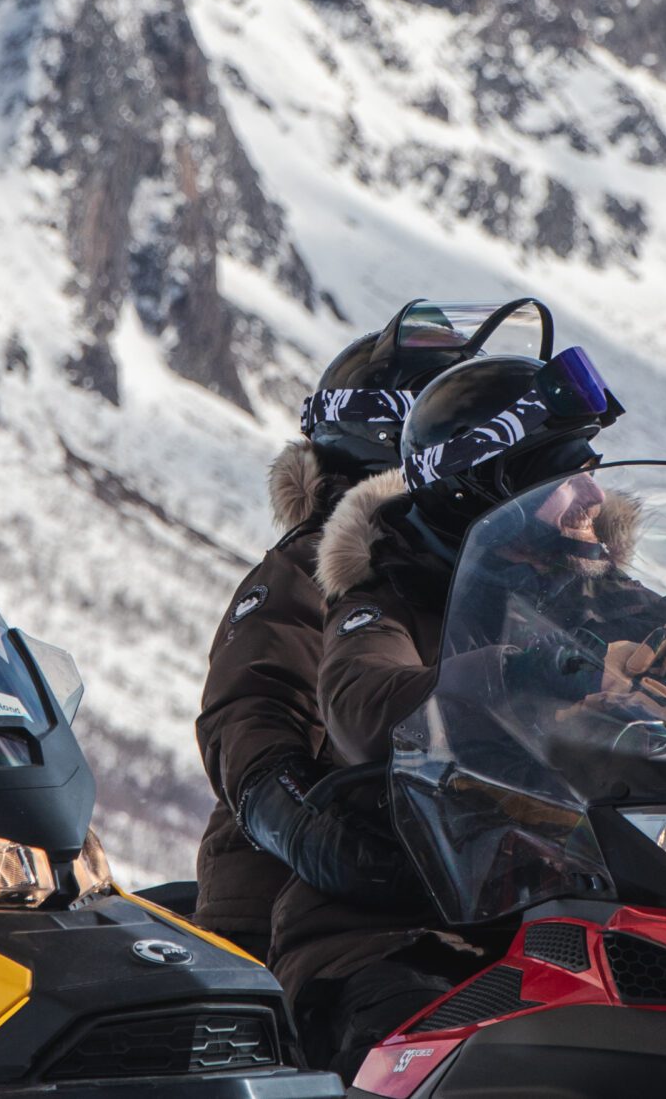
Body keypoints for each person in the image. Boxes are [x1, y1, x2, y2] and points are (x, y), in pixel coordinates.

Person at [270, 346, 632, 1077]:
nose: (593, 495)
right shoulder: (386, 595)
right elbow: (363, 705)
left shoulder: (588, 585)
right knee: (449, 1066)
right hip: (388, 928)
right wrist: (529, 670)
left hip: (560, 914)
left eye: (591, 470)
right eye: (566, 476)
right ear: (490, 488)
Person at [191, 305, 488, 958]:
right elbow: (252, 717)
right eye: (458, 430)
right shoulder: (311, 567)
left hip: (443, 884)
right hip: (280, 907)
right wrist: (314, 835)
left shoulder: (464, 570)